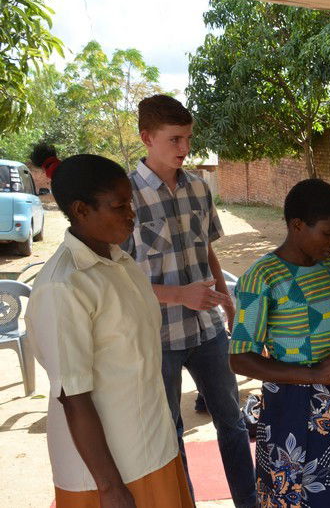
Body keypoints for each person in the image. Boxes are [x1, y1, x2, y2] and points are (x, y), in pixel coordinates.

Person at [25, 148, 192, 507]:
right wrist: (110, 487)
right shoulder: (64, 286)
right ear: (81, 210)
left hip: (152, 445)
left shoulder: (120, 262)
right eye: (119, 207)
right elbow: (73, 394)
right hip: (109, 472)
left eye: (129, 203)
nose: (132, 215)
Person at [122, 94, 256, 507]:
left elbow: (207, 250)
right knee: (171, 431)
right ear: (146, 137)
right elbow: (118, 279)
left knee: (232, 424)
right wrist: (178, 294)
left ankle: (247, 501)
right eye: (175, 139)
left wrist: (228, 304)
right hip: (156, 335)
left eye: (188, 139)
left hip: (209, 330)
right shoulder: (123, 196)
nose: (185, 148)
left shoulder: (199, 186)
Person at [228, 179, 330, 506]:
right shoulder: (262, 277)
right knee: (290, 492)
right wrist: (312, 376)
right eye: (327, 232)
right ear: (297, 225)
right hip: (288, 404)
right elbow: (240, 358)